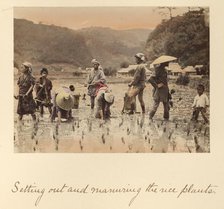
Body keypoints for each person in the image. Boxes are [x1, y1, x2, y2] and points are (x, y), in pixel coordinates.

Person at [148, 56, 177, 120]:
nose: (168, 63)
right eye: (167, 62)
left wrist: (168, 92)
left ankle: (166, 120)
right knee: (155, 105)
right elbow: (150, 79)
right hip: (159, 90)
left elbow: (165, 82)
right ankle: (150, 118)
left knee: (166, 106)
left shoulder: (164, 70)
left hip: (165, 90)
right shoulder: (157, 69)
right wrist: (156, 86)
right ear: (164, 62)